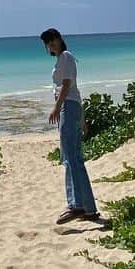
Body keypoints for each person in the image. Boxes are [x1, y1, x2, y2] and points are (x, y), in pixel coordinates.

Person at [41, 27, 100, 225]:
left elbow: (66, 86)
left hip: (67, 106)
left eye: (53, 39)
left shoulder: (66, 56)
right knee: (72, 157)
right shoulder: (62, 59)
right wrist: (81, 118)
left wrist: (57, 108)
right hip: (70, 106)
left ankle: (78, 206)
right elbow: (75, 89)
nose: (51, 44)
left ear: (59, 39)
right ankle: (85, 207)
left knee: (72, 158)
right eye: (48, 42)